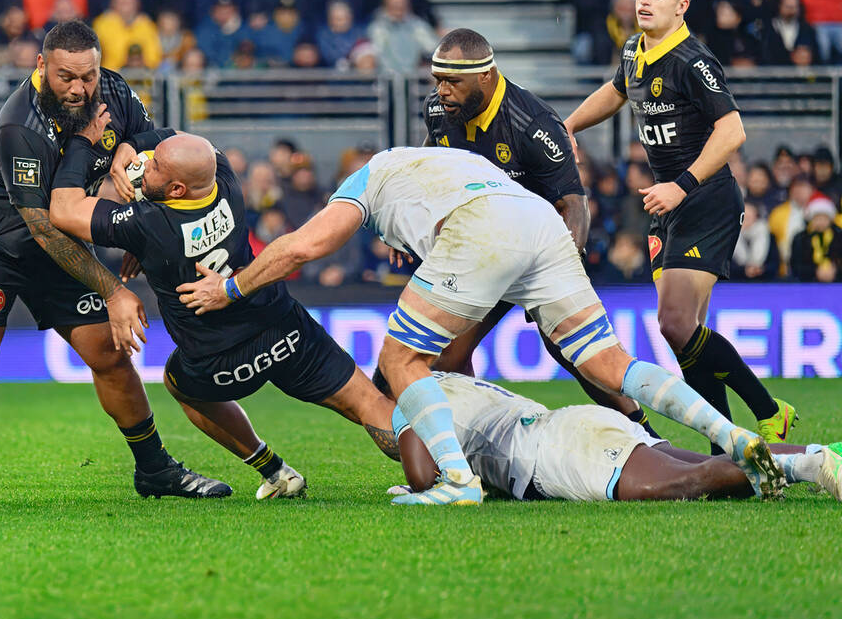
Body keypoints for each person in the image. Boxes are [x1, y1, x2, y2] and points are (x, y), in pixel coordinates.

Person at [179, 146, 785, 505]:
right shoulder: (441, 163)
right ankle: (730, 435)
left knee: (400, 361)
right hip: (536, 220)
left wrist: (230, 286)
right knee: (610, 362)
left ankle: (457, 480)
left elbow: (302, 247)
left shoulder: (365, 183)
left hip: (485, 225)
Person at [0, 21, 230, 509]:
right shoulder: (19, 128)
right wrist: (113, 291)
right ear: (41, 66)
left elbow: (153, 148)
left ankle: (155, 469)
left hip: (57, 235)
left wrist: (133, 167)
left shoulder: (113, 90)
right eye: (67, 77)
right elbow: (42, 228)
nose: (80, 88)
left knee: (109, 352)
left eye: (88, 75)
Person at [50, 134, 411, 497]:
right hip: (283, 328)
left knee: (178, 382)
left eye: (154, 166)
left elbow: (63, 211)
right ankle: (438, 469)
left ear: (176, 189)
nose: (144, 168)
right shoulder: (224, 177)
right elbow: (183, 141)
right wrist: (136, 145)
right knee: (370, 404)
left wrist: (82, 141)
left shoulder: (147, 224)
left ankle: (275, 472)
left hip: (217, 361)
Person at [563, 0, 797, 450]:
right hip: (667, 205)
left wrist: (681, 186)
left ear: (682, 6)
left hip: (705, 199)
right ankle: (724, 450)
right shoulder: (634, 50)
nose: (645, 1)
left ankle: (769, 410)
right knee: (684, 334)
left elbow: (732, 131)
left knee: (673, 323)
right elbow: (616, 90)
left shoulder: (693, 61)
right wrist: (570, 125)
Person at [418, 27, 652, 432]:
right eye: (438, 80)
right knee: (448, 357)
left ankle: (643, 430)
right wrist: (412, 215)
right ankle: (475, 440)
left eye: (452, 81)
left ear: (485, 76)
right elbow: (430, 160)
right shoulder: (440, 111)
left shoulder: (534, 123)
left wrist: (559, 274)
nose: (442, 91)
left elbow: (574, 205)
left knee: (576, 355)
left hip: (539, 253)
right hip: (485, 253)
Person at [388, 371, 842, 504]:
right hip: (569, 425)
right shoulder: (448, 379)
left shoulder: (407, 398)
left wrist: (416, 485)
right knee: (694, 462)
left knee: (682, 483)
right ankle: (824, 454)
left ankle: (812, 465)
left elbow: (426, 477)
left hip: (557, 452)